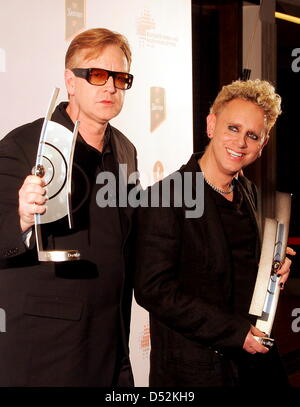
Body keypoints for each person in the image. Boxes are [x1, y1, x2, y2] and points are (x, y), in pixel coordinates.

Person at [134, 79, 295, 387]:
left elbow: (246, 267)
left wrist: (274, 271)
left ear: (262, 145)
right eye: (232, 128)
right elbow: (153, 289)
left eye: (252, 135)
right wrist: (235, 333)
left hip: (254, 363)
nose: (240, 143)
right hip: (197, 370)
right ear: (211, 125)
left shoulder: (250, 193)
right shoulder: (165, 197)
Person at [0, 28, 137, 386]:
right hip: (48, 347)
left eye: (120, 78)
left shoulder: (125, 150)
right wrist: (22, 216)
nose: (110, 87)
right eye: (97, 75)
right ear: (70, 82)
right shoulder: (23, 145)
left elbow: (128, 236)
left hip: (111, 340)